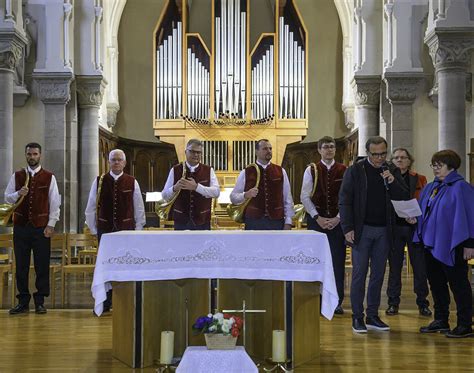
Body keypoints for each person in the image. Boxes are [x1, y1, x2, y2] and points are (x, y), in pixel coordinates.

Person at [339, 136, 408, 333]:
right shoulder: (355, 171)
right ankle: (357, 317)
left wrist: (393, 181)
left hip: (385, 230)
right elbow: (345, 201)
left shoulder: (391, 170)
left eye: (383, 154)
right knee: (359, 274)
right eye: (375, 154)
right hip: (362, 230)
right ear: (368, 153)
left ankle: (372, 315)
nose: (379, 158)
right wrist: (347, 228)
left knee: (378, 274)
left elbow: (404, 196)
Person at [411, 150, 474, 338]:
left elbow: (471, 217)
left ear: (452, 166)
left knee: (459, 284)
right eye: (434, 165)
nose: (436, 169)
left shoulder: (461, 187)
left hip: (454, 245)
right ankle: (441, 319)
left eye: (440, 165)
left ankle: (464, 324)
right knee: (436, 283)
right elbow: (424, 211)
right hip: (430, 243)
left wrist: (470, 244)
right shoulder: (431, 187)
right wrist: (413, 219)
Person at [85, 149, 145, 312]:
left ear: (124, 163)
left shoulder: (132, 181)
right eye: (113, 160)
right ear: (109, 162)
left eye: (119, 160)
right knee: (106, 266)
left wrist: (138, 229)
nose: (116, 162)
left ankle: (125, 300)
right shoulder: (99, 181)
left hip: (126, 231)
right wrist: (93, 228)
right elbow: (91, 206)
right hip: (105, 231)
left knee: (125, 264)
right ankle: (106, 300)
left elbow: (138, 207)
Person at [5, 143, 61, 315]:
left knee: (41, 265)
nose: (32, 157)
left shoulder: (49, 177)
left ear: (40, 155)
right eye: (29, 154)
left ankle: (40, 301)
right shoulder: (17, 175)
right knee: (21, 265)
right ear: (26, 155)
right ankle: (22, 301)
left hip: (41, 228)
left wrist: (51, 224)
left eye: (35, 154)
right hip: (21, 227)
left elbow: (54, 203)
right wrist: (18, 194)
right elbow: (7, 199)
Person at [300, 136, 347, 314]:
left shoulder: (344, 170)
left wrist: (338, 218)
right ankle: (316, 299)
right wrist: (317, 217)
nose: (329, 150)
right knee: (316, 261)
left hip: (337, 222)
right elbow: (304, 196)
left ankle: (337, 301)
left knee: (337, 262)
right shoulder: (311, 169)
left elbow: (347, 198)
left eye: (332, 147)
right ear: (319, 150)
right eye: (325, 147)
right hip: (316, 222)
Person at [385, 148, 431, 317]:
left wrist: (415, 215)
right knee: (395, 268)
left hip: (414, 227)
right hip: (395, 227)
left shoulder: (419, 178)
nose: (399, 160)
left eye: (403, 157)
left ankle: (423, 303)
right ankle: (393, 303)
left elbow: (425, 201)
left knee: (420, 267)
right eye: (396, 158)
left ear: (409, 160)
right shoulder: (387, 178)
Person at [230, 139, 294, 230]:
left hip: (276, 221)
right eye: (265, 149)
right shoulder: (246, 172)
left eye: (270, 148)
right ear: (256, 152)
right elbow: (233, 197)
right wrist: (245, 195)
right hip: (254, 221)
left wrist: (288, 221)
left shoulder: (281, 171)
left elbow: (287, 197)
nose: (269, 151)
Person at [161, 139, 220, 230]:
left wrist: (196, 187)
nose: (196, 155)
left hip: (202, 221)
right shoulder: (175, 170)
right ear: (186, 152)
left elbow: (216, 192)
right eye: (192, 151)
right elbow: (164, 195)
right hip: (181, 221)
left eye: (199, 152)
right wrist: (175, 188)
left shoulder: (209, 170)